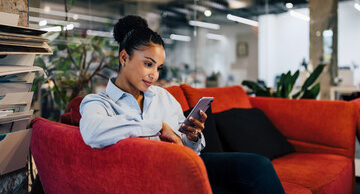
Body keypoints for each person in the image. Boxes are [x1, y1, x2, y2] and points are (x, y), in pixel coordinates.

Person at [79, 15, 285, 194]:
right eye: (148, 64)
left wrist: (192, 135)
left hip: (185, 163)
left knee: (258, 166)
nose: (154, 74)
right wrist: (158, 127)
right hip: (156, 173)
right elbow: (92, 132)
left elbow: (188, 148)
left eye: (159, 67)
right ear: (124, 57)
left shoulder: (163, 96)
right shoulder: (98, 102)